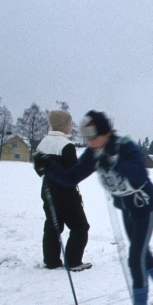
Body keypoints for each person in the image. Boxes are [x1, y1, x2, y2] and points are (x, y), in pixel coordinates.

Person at [34, 111, 153, 305]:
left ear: (106, 133)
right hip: (127, 208)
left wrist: (114, 163)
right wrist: (49, 166)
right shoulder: (93, 153)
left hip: (144, 205)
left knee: (135, 255)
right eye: (87, 138)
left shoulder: (124, 147)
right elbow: (72, 177)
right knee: (141, 253)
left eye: (93, 137)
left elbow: (139, 175)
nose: (89, 143)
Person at [34, 110, 90, 271]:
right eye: (69, 123)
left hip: (48, 191)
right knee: (80, 227)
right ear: (64, 125)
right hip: (66, 193)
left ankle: (51, 261)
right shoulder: (66, 145)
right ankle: (73, 261)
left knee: (53, 225)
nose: (70, 126)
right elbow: (73, 173)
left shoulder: (42, 143)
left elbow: (39, 170)